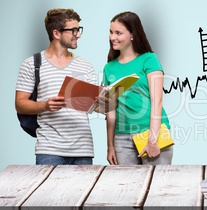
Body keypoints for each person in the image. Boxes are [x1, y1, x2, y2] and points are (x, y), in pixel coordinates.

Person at [15, 8, 114, 166]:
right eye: (74, 30)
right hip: (49, 149)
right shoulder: (32, 64)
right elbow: (20, 104)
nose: (78, 35)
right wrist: (45, 105)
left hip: (83, 149)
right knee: (49, 191)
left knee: (82, 191)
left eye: (78, 29)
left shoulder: (85, 65)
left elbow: (94, 107)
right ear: (56, 33)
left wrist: (105, 105)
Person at [104, 11, 173, 165]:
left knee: (157, 184)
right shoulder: (109, 68)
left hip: (151, 131)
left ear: (132, 35)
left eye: (118, 33)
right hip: (121, 138)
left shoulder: (149, 59)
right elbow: (110, 110)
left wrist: (152, 139)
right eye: (111, 32)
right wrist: (110, 146)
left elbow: (157, 101)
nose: (112, 37)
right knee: (127, 187)